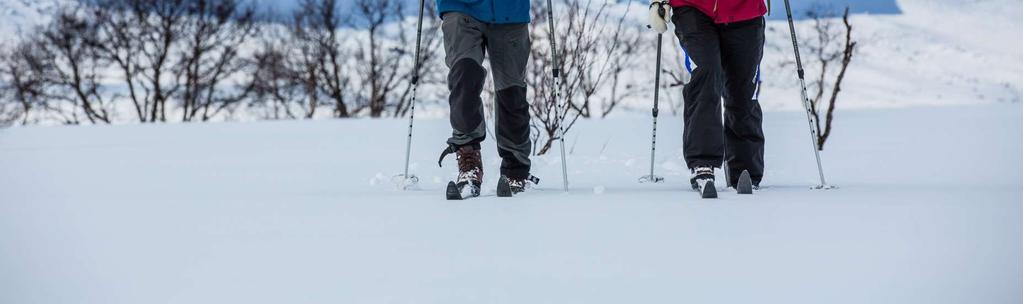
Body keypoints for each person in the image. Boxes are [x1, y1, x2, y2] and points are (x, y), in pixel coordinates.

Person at [649, 0, 768, 197]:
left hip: (746, 9)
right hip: (693, 8)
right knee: (706, 74)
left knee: (743, 88)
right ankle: (702, 162)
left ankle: (745, 169)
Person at [436, 0, 534, 199]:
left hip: (510, 10)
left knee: (511, 91)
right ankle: (468, 160)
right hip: (460, 7)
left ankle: (515, 170)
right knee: (464, 76)